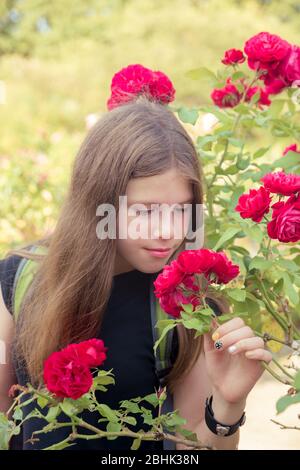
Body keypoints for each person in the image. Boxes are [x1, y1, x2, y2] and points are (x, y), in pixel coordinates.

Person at [0, 64, 272, 451]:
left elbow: (192, 449)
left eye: (181, 210)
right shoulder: (18, 277)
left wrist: (227, 406)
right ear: (98, 203)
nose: (167, 230)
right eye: (145, 211)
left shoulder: (188, 305)